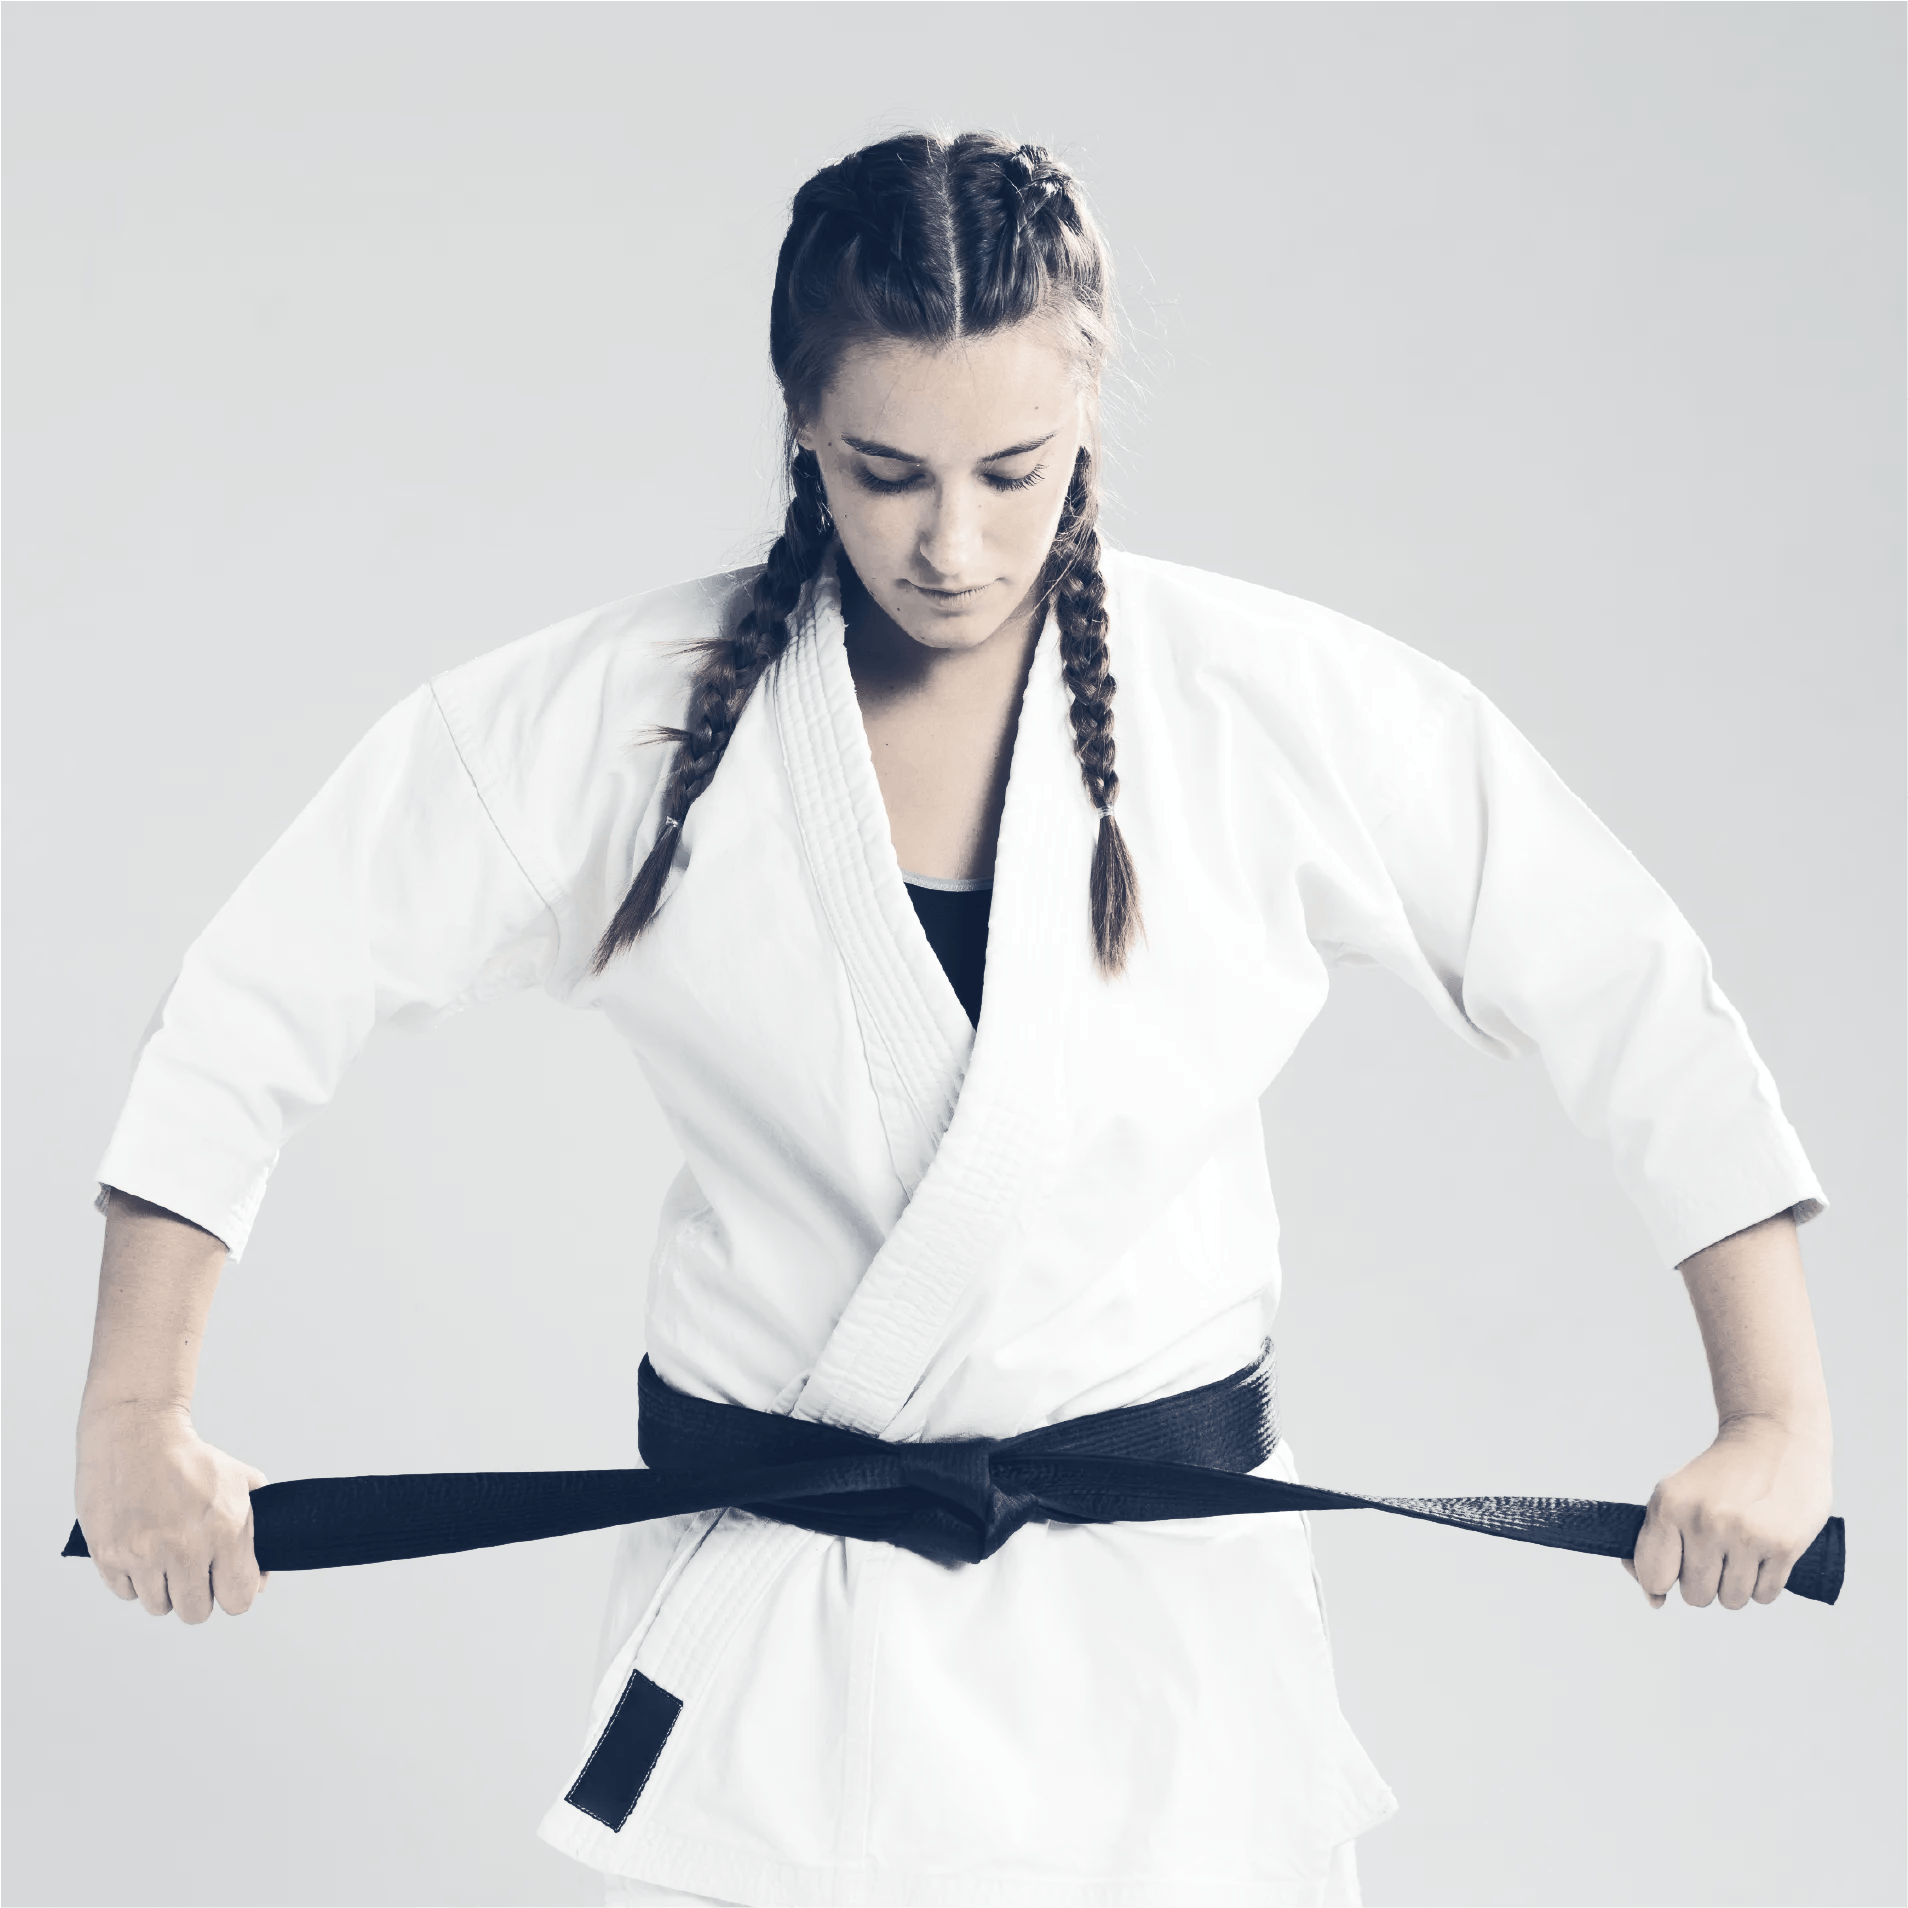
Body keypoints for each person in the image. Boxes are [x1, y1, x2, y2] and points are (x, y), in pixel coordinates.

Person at [73, 131, 1833, 1908]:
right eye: (887, 471)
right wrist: (138, 1411)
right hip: (787, 1643)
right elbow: (257, 997)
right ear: (801, 427)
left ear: (1089, 413)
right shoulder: (623, 722)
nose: (954, 542)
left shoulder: (1264, 706)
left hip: (1166, 1660)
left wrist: (1773, 1418)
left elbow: (1623, 987)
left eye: (1015, 470)